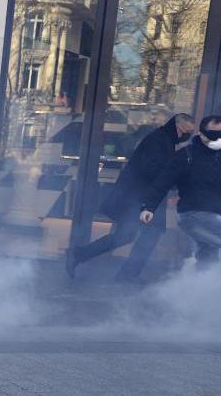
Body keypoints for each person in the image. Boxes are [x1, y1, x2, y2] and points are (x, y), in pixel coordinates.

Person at [67, 114, 196, 282]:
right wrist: (173, 182)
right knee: (147, 235)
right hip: (140, 198)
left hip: (141, 197)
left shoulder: (164, 139)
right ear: (178, 128)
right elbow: (151, 170)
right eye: (187, 131)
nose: (187, 136)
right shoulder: (159, 140)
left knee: (129, 235)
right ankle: (124, 275)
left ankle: (80, 256)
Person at [141, 115, 221, 268]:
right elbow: (163, 181)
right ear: (202, 134)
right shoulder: (186, 155)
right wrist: (149, 206)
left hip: (216, 214)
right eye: (214, 135)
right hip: (193, 214)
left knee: (208, 255)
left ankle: (196, 287)